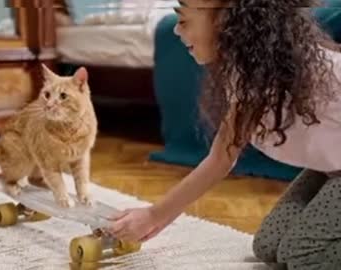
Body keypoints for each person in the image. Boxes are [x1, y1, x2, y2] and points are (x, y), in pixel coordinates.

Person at [109, 0, 341, 268]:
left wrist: (153, 216)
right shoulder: (249, 75)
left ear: (224, 22)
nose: (175, 31)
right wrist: (153, 216)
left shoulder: (318, 70)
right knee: (268, 246)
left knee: (302, 255)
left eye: (183, 21)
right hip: (330, 168)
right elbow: (220, 159)